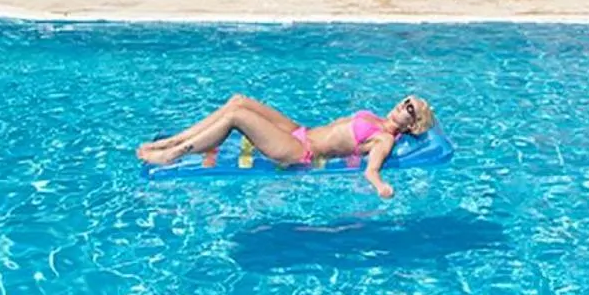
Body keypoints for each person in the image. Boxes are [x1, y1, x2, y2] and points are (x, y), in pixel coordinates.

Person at [137, 94, 435, 198]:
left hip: (300, 152)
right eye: (406, 100)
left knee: (237, 117)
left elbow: (372, 171)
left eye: (410, 109)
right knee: (239, 101)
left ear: (412, 124)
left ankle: (174, 154)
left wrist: (381, 186)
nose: (404, 105)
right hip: (300, 132)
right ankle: (174, 140)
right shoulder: (374, 117)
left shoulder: (383, 140)